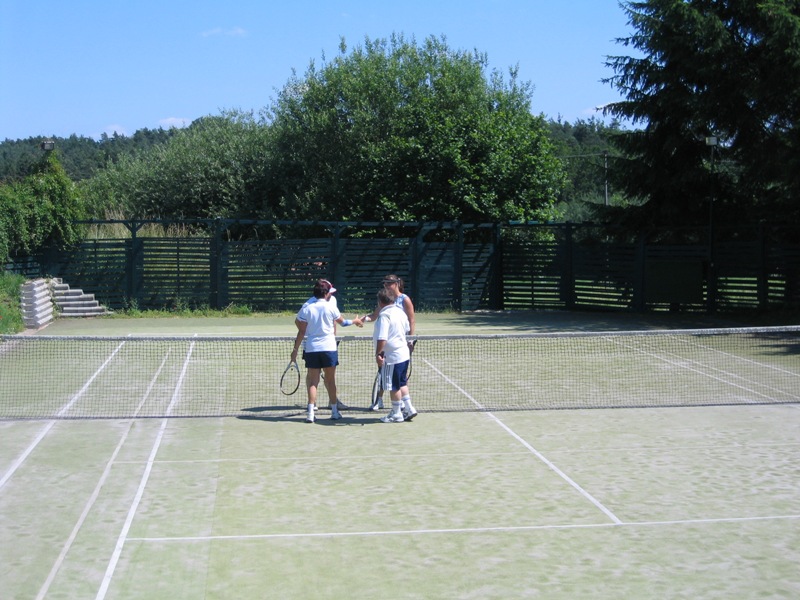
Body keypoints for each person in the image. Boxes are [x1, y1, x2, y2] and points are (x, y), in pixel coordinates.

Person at [290, 280, 358, 423]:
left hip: (312, 349)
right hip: (329, 348)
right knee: (330, 381)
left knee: (313, 382)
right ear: (326, 293)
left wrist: (295, 350)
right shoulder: (331, 307)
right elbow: (344, 323)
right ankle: (334, 412)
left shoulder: (307, 308)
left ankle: (310, 413)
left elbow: (301, 330)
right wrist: (355, 321)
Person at [359, 275, 415, 410]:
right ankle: (379, 400)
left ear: (396, 284)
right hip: (388, 348)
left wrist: (410, 340)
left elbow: (411, 320)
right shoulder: (385, 299)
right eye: (384, 283)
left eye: (388, 283)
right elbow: (374, 316)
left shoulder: (405, 299)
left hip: (398, 345)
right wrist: (363, 319)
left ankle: (400, 406)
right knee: (384, 374)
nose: (386, 285)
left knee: (398, 376)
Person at [372, 287, 418, 423]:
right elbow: (407, 330)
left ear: (380, 302)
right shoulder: (400, 312)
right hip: (404, 354)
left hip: (392, 357)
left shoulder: (384, 316)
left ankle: (396, 413)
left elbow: (382, 338)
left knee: (393, 386)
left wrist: (378, 354)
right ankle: (409, 408)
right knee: (402, 382)